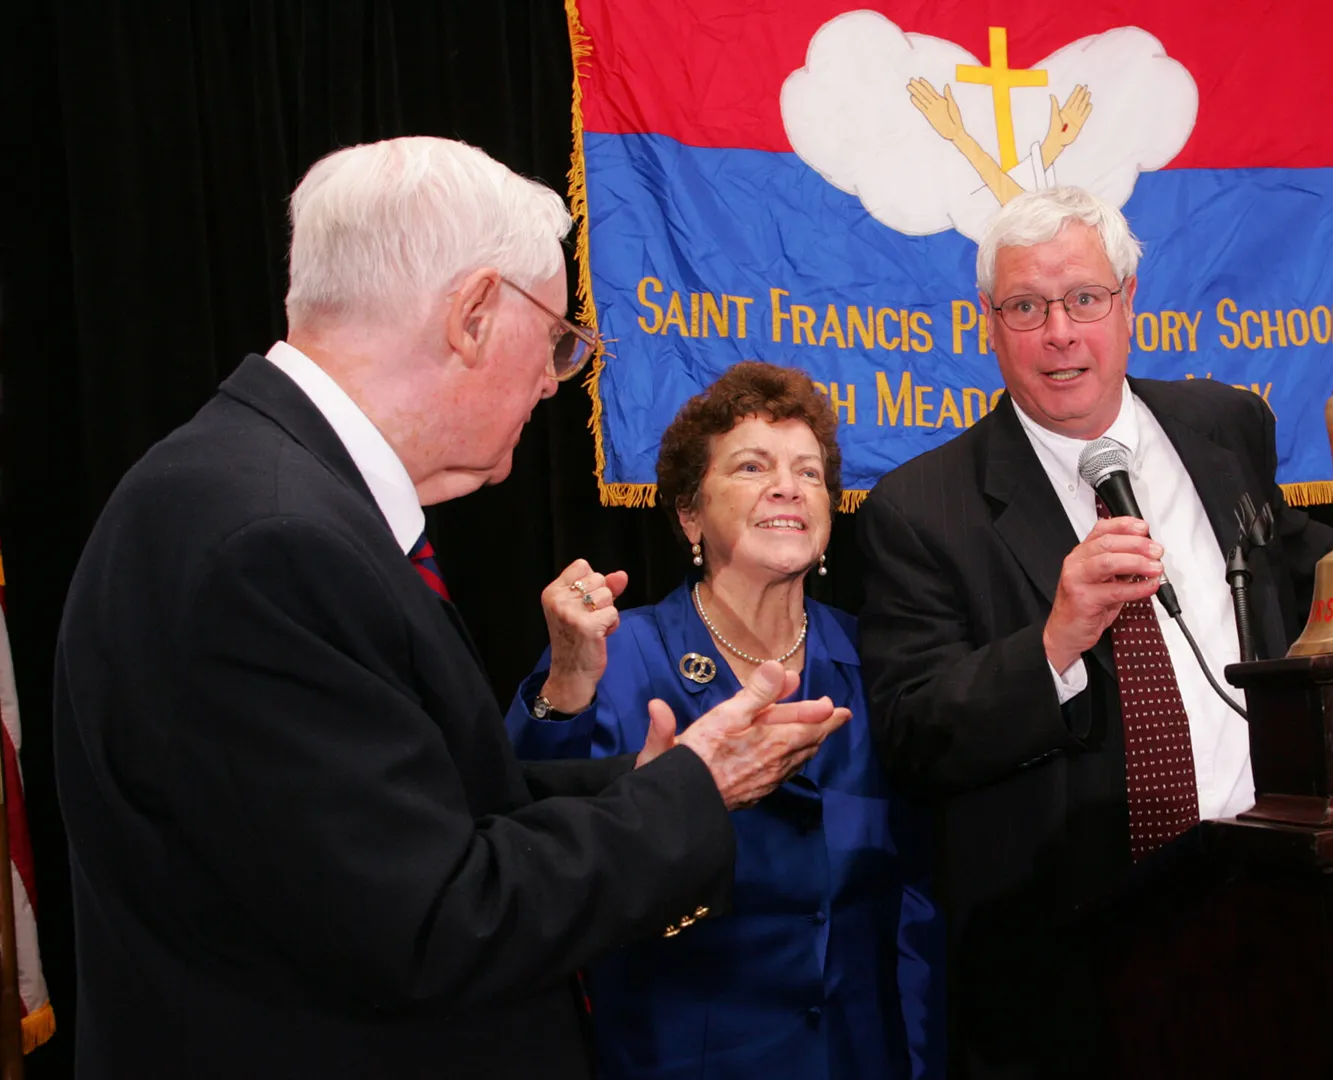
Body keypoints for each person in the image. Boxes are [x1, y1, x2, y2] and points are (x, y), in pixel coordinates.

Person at [51, 136, 850, 1079]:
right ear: (474, 315)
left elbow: (412, 814)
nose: (556, 382)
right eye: (556, 339)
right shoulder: (272, 543)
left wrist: (640, 781)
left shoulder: (255, 490)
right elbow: (434, 920)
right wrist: (693, 790)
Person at [855, 186, 1332, 1078]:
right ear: (988, 324)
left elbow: (1296, 599)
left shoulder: (1228, 429)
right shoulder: (921, 510)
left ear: (1128, 301)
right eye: (1026, 308)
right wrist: (1054, 641)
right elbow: (915, 736)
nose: (1060, 333)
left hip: (1271, 914)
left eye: (1084, 299)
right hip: (1069, 971)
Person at [508, 361, 942, 1079]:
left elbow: (921, 902)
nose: (788, 487)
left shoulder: (878, 660)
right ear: (689, 513)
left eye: (809, 474)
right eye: (752, 466)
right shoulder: (618, 656)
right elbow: (524, 832)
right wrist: (564, 685)